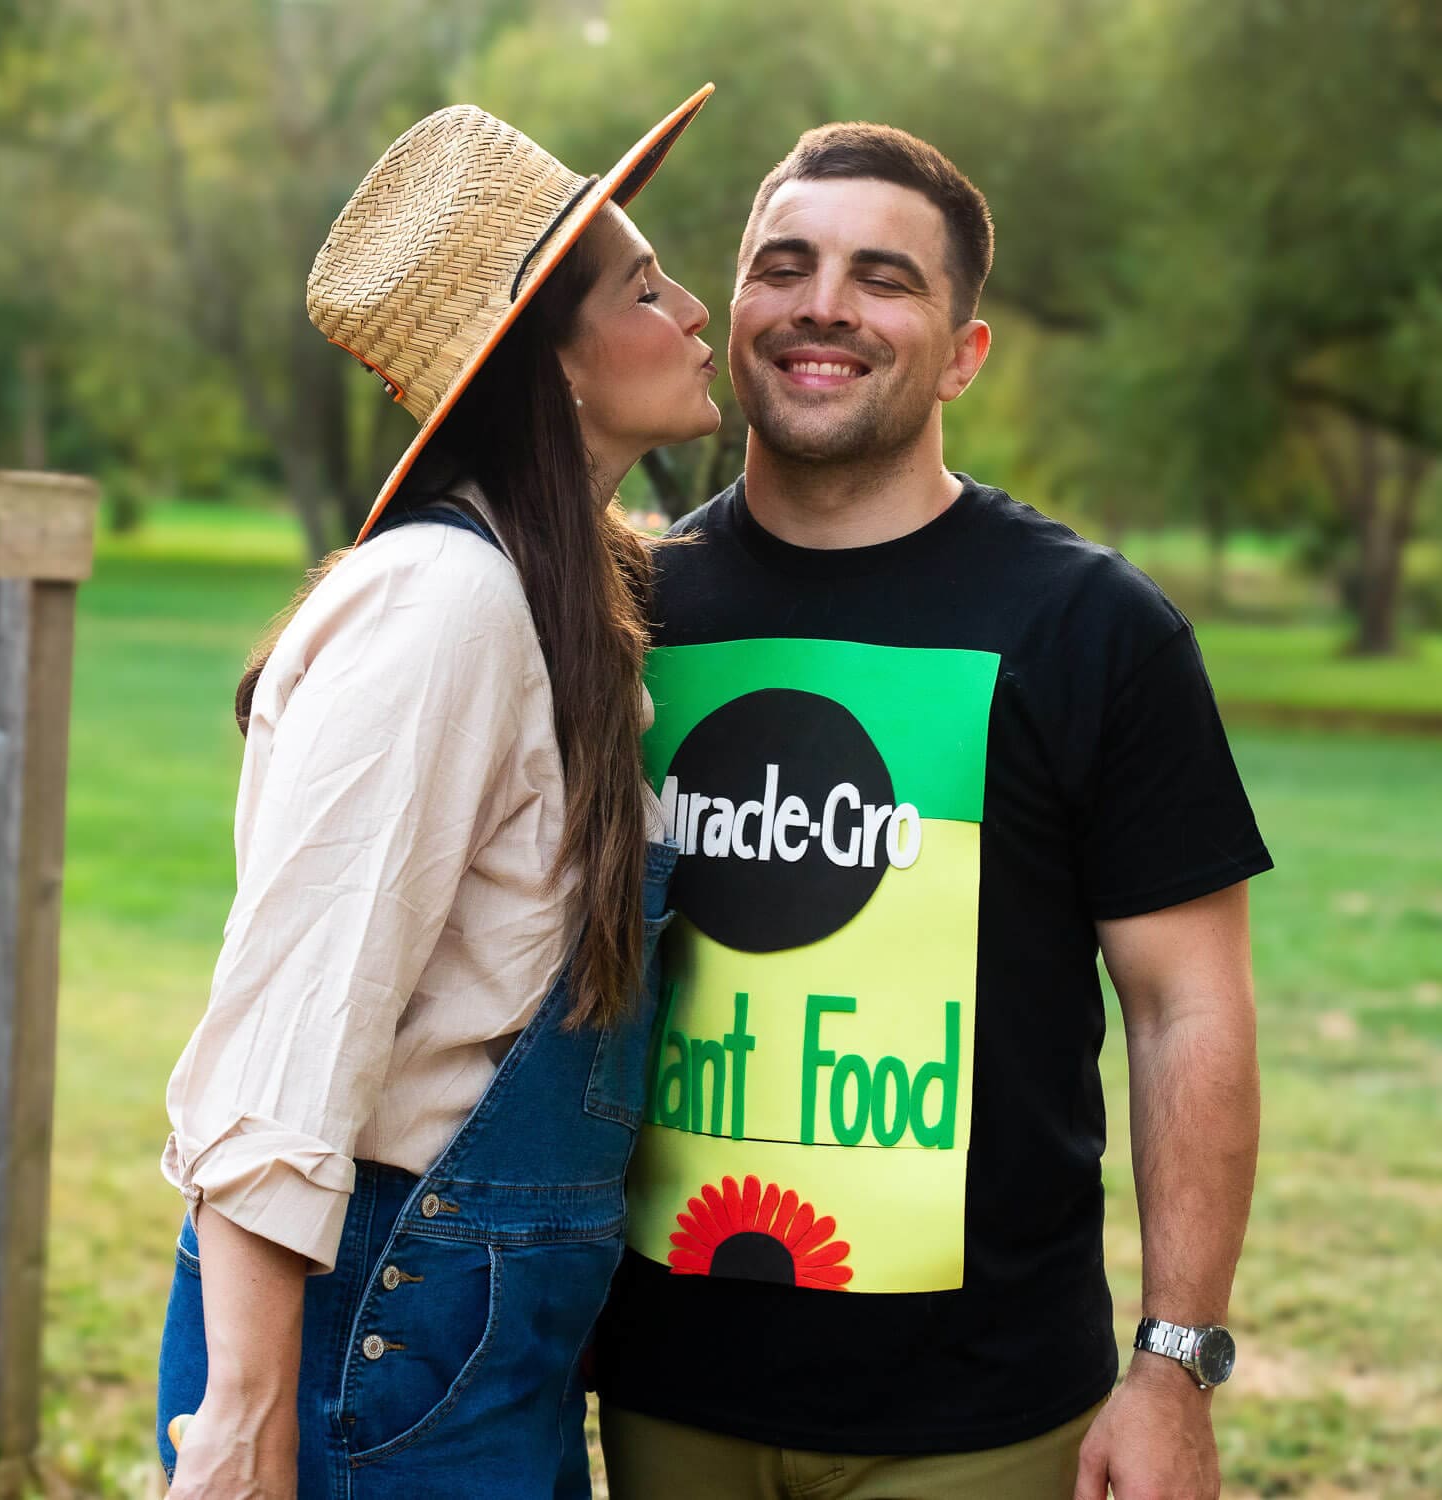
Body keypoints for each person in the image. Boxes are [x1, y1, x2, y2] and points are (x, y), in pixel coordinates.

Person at [593, 122, 1271, 1500]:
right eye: (784, 266)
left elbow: (1187, 1007)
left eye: (882, 276)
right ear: (735, 322)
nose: (823, 302)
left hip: (982, 1416)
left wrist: (1174, 1364)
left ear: (963, 352)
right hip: (660, 1388)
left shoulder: (1092, 629)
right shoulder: (629, 612)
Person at [155, 84, 719, 1500]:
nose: (697, 308)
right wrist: (244, 1417)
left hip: (473, 1339)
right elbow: (292, 1016)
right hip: (370, 1336)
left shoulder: (556, 595)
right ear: (557, 361)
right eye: (646, 287)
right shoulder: (445, 606)